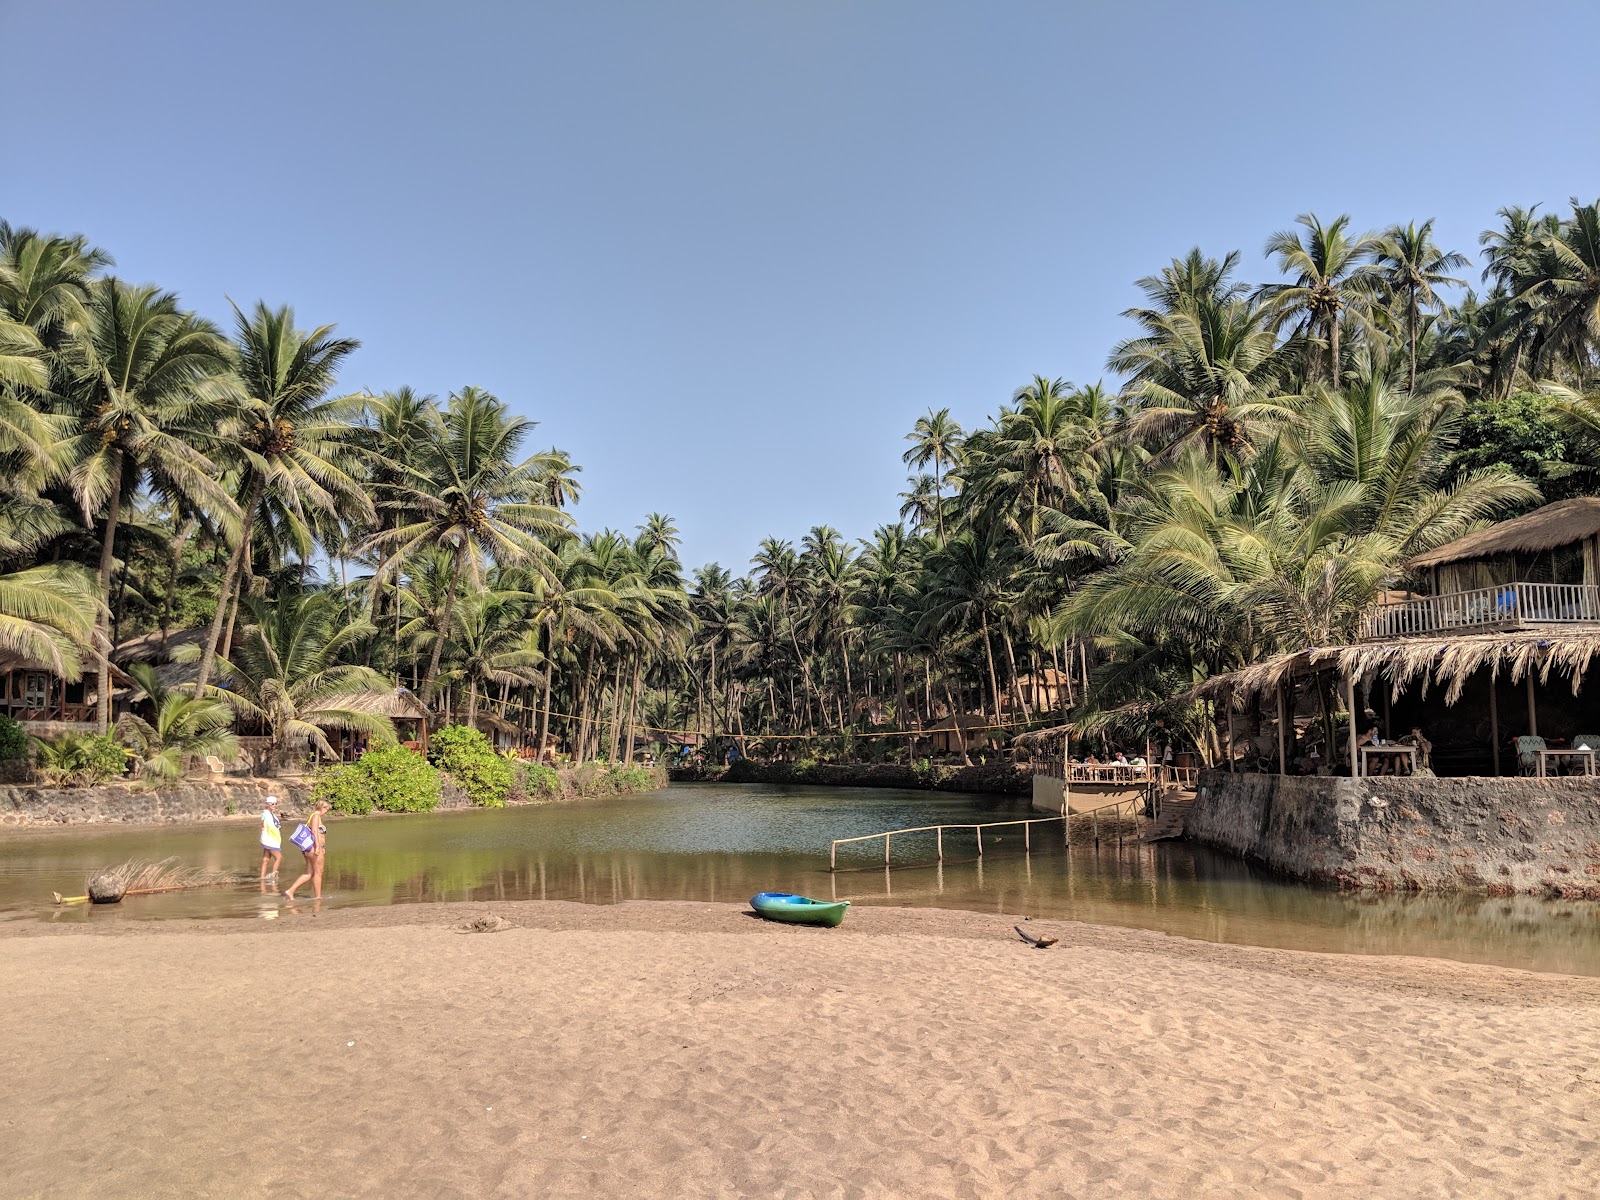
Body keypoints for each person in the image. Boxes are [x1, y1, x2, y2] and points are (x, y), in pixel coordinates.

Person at [284, 799, 330, 902]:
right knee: (318, 872)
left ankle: (290, 891)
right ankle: (318, 897)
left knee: (310, 873)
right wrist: (318, 846)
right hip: (314, 848)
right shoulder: (316, 816)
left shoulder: (313, 816)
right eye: (326, 809)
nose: (327, 811)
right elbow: (314, 831)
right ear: (322, 807)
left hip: (310, 849)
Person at [258, 795, 282, 881]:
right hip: (270, 839)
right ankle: (273, 876)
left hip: (268, 839)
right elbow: (267, 826)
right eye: (272, 804)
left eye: (276, 804)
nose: (274, 805)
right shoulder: (266, 814)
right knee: (279, 857)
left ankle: (262, 879)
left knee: (266, 859)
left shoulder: (271, 814)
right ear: (267, 804)